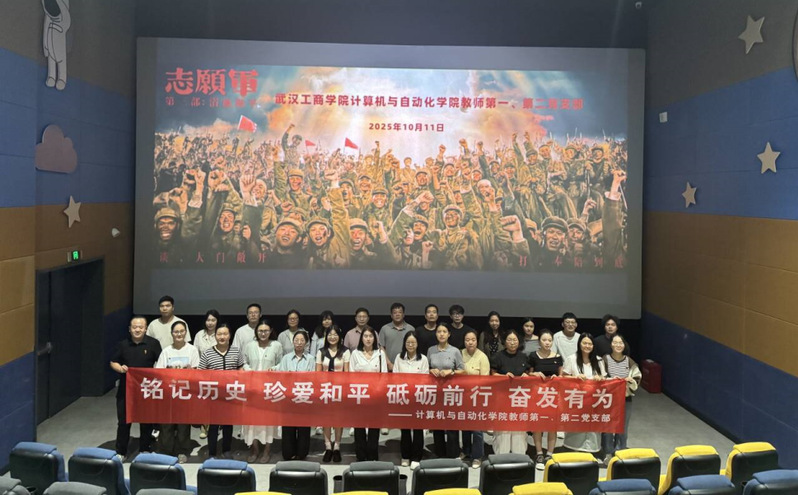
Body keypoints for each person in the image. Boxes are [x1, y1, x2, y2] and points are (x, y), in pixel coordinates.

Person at [110, 316, 162, 460]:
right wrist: (120, 368)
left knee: (146, 421)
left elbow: (161, 362)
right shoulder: (123, 345)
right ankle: (121, 451)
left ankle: (145, 449)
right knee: (124, 421)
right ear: (129, 329)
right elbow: (113, 362)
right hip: (126, 391)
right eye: (134, 327)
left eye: (140, 327)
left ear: (146, 329)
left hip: (147, 390)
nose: (137, 329)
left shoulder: (153, 343)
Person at [154, 321, 199, 463]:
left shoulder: (192, 350)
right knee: (167, 423)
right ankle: (166, 450)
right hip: (169, 393)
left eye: (181, 331)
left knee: (183, 424)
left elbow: (197, 371)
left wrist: (189, 371)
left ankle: (182, 451)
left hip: (185, 393)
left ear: (186, 332)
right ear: (172, 334)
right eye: (176, 331)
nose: (179, 334)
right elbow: (159, 371)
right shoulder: (166, 351)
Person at [198, 323, 243, 458]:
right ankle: (212, 452)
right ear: (215, 336)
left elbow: (240, 370)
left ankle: (226, 450)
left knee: (228, 424)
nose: (222, 337)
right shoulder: (207, 353)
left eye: (225, 334)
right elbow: (200, 373)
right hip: (213, 395)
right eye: (219, 334)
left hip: (230, 395)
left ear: (230, 336)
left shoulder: (236, 351)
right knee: (213, 425)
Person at [241, 319, 283, 463]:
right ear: (256, 332)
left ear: (270, 331)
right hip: (252, 388)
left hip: (269, 388)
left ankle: (267, 450)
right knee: (252, 420)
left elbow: (281, 363)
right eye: (260, 331)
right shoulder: (249, 345)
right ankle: (254, 449)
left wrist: (274, 369)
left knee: (268, 420)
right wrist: (249, 370)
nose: (263, 333)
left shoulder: (276, 345)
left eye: (265, 331)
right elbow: (244, 362)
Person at [562, 333, 606, 456]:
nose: (587, 346)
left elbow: (604, 378)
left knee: (592, 427)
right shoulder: (571, 359)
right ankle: (573, 451)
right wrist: (575, 378)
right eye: (584, 343)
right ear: (579, 344)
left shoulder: (599, 360)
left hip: (594, 400)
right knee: (577, 426)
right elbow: (563, 378)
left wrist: (600, 378)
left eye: (590, 344)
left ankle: (592, 453)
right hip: (577, 400)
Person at [601, 335, 641, 465]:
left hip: (625, 399)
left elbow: (637, 377)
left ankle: (620, 452)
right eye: (615, 342)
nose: (618, 345)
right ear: (611, 344)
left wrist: (630, 381)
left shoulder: (629, 361)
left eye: (620, 343)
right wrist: (611, 381)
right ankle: (608, 453)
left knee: (623, 427)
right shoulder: (605, 359)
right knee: (608, 427)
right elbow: (600, 377)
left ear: (624, 345)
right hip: (608, 400)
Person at [349, 327, 388, 461]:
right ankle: (360, 456)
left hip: (376, 396)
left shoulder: (380, 354)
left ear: (375, 338)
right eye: (365, 336)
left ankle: (372, 455)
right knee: (359, 426)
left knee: (374, 426)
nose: (368, 339)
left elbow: (384, 375)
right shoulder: (355, 353)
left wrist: (378, 391)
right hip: (360, 395)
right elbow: (351, 375)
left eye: (370, 336)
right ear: (361, 338)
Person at [527, 329, 564, 470]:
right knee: (538, 424)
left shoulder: (558, 357)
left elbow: (562, 377)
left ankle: (549, 453)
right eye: (544, 340)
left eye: (549, 340)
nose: (547, 343)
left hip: (553, 396)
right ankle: (539, 453)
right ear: (539, 341)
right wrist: (535, 374)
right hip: (537, 395)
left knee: (552, 426)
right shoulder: (533, 356)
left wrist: (557, 378)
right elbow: (527, 374)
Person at [490, 329, 530, 455]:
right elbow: (492, 375)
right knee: (503, 430)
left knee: (519, 430)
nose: (512, 343)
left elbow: (529, 373)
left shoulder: (524, 357)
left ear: (519, 342)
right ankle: (501, 457)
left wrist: (527, 375)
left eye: (515, 340)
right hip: (502, 398)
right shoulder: (498, 356)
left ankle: (519, 456)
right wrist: (503, 376)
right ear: (504, 341)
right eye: (509, 340)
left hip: (519, 398)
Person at [277, 330, 316, 460]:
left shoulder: (311, 359)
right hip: (288, 398)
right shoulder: (286, 358)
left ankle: (302, 453)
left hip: (304, 396)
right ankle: (289, 452)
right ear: (292, 342)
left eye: (302, 340)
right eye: (296, 340)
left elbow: (313, 378)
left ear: (306, 343)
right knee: (288, 427)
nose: (299, 343)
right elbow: (281, 377)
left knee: (303, 427)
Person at [428, 324, 465, 458]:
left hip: (451, 392)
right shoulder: (431, 350)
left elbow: (463, 370)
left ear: (449, 334)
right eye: (439, 331)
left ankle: (453, 453)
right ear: (436, 334)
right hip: (435, 392)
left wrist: (452, 371)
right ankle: (439, 453)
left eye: (444, 331)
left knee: (451, 423)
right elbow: (426, 367)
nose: (441, 334)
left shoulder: (455, 351)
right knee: (437, 422)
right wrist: (431, 370)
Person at [393, 331, 429, 469]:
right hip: (403, 398)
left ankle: (416, 456)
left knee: (418, 429)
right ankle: (405, 455)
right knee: (405, 429)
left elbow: (425, 379)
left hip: (418, 398)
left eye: (413, 342)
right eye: (408, 342)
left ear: (417, 344)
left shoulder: (423, 359)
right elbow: (395, 376)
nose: (410, 345)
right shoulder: (399, 357)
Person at [316, 325, 350, 463]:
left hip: (339, 389)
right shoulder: (321, 352)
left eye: (335, 334)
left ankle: (337, 446)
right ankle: (328, 446)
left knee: (338, 419)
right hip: (325, 389)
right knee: (326, 419)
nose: (332, 337)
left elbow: (347, 373)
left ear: (339, 337)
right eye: (330, 334)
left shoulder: (345, 351)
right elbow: (318, 372)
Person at [461, 329, 489, 469]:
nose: (470, 342)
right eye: (467, 340)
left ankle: (477, 456)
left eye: (473, 340)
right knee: (465, 427)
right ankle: (466, 451)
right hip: (462, 396)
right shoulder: (460, 353)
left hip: (477, 396)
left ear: (477, 341)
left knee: (477, 429)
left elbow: (485, 379)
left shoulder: (482, 356)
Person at [194, 309, 219, 440]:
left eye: (213, 320)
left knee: (216, 400)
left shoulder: (220, 334)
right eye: (208, 320)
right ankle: (204, 426)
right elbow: (195, 352)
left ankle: (215, 426)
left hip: (217, 372)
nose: (210, 323)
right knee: (204, 401)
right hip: (202, 372)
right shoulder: (199, 335)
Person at [379, 302, 414, 371]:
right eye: (395, 313)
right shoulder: (385, 328)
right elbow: (381, 347)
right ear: (391, 315)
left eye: (400, 312)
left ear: (403, 314)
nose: (397, 314)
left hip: (407, 366)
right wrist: (388, 363)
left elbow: (414, 347)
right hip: (388, 366)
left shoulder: (411, 329)